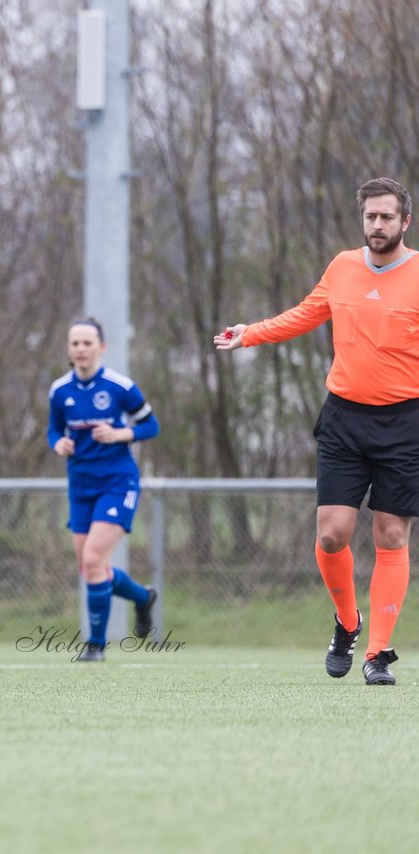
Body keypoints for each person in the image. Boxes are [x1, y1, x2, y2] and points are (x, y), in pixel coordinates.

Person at [216, 176, 419, 686]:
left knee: (392, 534)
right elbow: (307, 313)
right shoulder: (343, 266)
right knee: (332, 535)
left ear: (405, 221)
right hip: (344, 419)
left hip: (405, 423)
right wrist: (251, 333)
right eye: (370, 216)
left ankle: (377, 652)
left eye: (387, 217)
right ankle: (348, 624)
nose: (377, 224)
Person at [47, 318, 160, 663]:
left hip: (117, 482)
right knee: (90, 567)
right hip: (80, 485)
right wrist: (59, 444)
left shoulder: (120, 387)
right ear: (69, 349)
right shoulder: (59, 391)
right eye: (75, 343)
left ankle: (95, 646)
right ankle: (142, 598)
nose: (81, 349)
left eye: (87, 343)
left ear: (101, 347)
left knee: (95, 560)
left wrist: (119, 434)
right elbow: (53, 431)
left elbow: (151, 426)